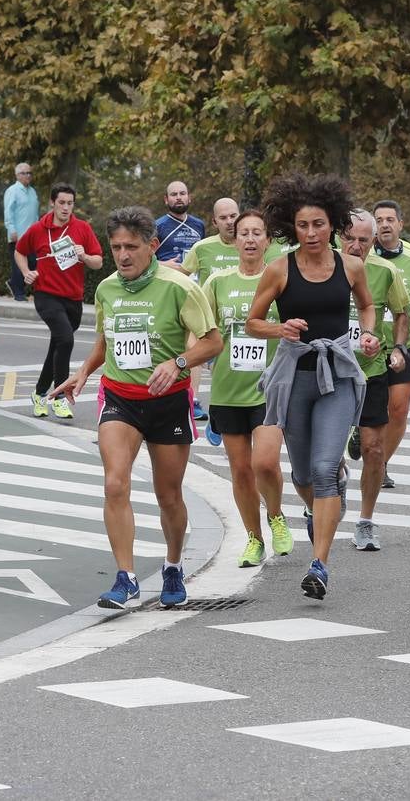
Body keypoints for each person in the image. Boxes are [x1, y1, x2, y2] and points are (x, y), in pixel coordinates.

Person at [50, 206, 221, 610]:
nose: (123, 255)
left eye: (131, 247)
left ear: (153, 246)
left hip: (168, 402)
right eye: (116, 248)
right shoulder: (107, 288)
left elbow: (212, 342)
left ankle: (173, 566)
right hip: (121, 398)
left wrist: (177, 362)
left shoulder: (179, 287)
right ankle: (125, 578)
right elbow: (104, 343)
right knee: (114, 483)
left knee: (169, 495)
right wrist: (84, 373)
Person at [247, 174, 376, 599]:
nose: (311, 233)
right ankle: (320, 504)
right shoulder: (279, 269)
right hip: (296, 376)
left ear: (332, 224)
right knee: (303, 473)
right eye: (303, 226)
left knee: (323, 470)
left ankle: (319, 565)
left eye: (318, 224)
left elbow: (367, 304)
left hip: (337, 373)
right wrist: (280, 327)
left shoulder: (351, 265)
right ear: (292, 227)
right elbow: (251, 323)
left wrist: (368, 335)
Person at [203, 208, 293, 566]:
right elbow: (202, 330)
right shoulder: (218, 282)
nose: (251, 239)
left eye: (258, 233)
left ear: (268, 240)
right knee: (240, 470)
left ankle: (276, 515)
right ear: (235, 239)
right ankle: (254, 539)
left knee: (265, 463)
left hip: (269, 387)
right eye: (244, 233)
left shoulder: (279, 279)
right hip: (228, 388)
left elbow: (295, 326)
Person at [341, 209, 409, 552]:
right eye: (349, 239)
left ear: (373, 241)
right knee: (325, 454)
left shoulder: (386, 271)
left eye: (363, 241)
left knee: (374, 448)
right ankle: (333, 483)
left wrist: (397, 348)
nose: (355, 246)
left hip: (372, 371)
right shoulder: (323, 269)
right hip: (331, 374)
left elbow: (401, 314)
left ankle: (365, 521)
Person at [16, 183, 103, 418]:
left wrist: (83, 255)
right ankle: (60, 396)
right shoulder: (38, 229)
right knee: (65, 340)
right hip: (46, 295)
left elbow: (99, 262)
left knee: (58, 344)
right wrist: (27, 272)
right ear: (52, 203)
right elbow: (20, 250)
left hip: (72, 298)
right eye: (61, 203)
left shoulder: (82, 228)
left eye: (70, 203)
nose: (66, 208)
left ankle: (39, 392)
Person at [372, 200, 410, 490]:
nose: (384, 224)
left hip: (402, 344)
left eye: (389, 219)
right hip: (367, 345)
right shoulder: (360, 256)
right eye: (379, 220)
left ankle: (381, 462)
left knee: (398, 409)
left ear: (400, 224)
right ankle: (358, 439)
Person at [180, 196, 241, 424]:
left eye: (233, 216)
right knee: (194, 347)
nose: (229, 222)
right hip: (208, 321)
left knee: (233, 373)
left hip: (242, 319)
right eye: (223, 218)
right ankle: (193, 401)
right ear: (215, 222)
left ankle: (221, 414)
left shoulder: (252, 244)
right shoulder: (202, 247)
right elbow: (181, 278)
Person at [3, 162, 40, 302]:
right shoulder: (12, 191)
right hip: (17, 235)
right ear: (17, 175)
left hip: (32, 236)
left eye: (30, 173)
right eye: (24, 173)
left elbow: (35, 214)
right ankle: (19, 293)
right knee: (18, 264)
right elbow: (8, 212)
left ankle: (13, 283)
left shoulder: (32, 191)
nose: (28, 176)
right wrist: (11, 229)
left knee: (33, 263)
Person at [155, 180, 206, 269]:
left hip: (194, 280)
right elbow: (142, 258)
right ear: (166, 200)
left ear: (189, 198)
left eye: (182, 193)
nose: (178, 197)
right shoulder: (156, 226)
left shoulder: (199, 225)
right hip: (168, 278)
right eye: (174, 194)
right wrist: (162, 264)